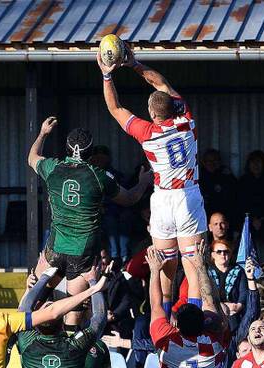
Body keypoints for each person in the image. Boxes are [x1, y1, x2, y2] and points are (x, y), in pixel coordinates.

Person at [98, 44, 208, 322]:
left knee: (167, 263)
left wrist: (107, 74)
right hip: (188, 195)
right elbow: (161, 83)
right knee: (193, 263)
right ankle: (192, 321)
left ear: (151, 112)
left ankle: (166, 318)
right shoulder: (187, 121)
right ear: (174, 106)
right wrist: (134, 64)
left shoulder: (147, 133)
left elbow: (115, 108)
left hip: (162, 198)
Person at [28, 117, 150, 324]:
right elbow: (130, 198)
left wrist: (43, 134)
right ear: (91, 153)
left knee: (34, 299)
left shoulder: (53, 168)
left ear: (66, 149)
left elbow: (32, 157)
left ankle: (31, 345)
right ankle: (71, 350)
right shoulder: (98, 176)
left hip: (55, 249)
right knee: (74, 310)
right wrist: (144, 181)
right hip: (82, 253)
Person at [90, 146, 137, 262]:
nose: (99, 160)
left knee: (123, 219)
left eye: (103, 156)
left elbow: (125, 195)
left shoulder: (114, 175)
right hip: (94, 214)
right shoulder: (88, 174)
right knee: (109, 221)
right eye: (97, 157)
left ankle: (122, 258)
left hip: (115, 210)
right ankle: (115, 258)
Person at [208, 239, 248, 332]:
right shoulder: (207, 272)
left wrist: (238, 306)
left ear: (230, 254)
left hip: (234, 311)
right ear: (213, 254)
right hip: (213, 310)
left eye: (226, 251)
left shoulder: (239, 271)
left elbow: (243, 293)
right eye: (219, 252)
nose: (223, 254)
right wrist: (220, 306)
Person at [199, 149, 239, 225]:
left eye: (215, 160)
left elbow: (235, 199)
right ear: (204, 162)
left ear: (219, 162)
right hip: (205, 220)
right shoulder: (199, 178)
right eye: (209, 161)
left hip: (225, 220)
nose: (212, 163)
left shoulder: (227, 177)